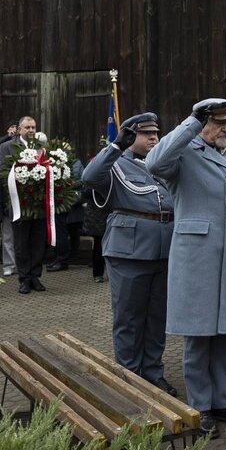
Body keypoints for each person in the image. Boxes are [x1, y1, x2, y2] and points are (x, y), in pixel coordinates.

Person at [146, 98, 226, 438]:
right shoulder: (184, 154)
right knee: (198, 337)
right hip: (198, 257)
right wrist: (190, 122)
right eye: (218, 122)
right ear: (203, 124)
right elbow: (154, 161)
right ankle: (200, 407)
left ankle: (224, 401)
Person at [82, 113, 177, 395]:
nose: (153, 139)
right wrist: (115, 146)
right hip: (129, 252)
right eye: (145, 134)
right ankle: (129, 376)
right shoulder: (116, 164)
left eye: (155, 133)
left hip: (164, 249)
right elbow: (89, 177)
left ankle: (153, 371)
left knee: (157, 316)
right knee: (129, 318)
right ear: (130, 137)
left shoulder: (162, 165)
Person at [0, 116, 47, 294]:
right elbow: (2, 172)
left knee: (38, 243)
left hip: (39, 205)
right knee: (21, 244)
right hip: (19, 203)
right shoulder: (7, 147)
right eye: (27, 127)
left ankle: (35, 277)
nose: (31, 130)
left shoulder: (42, 146)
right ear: (19, 129)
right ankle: (24, 279)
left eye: (33, 127)